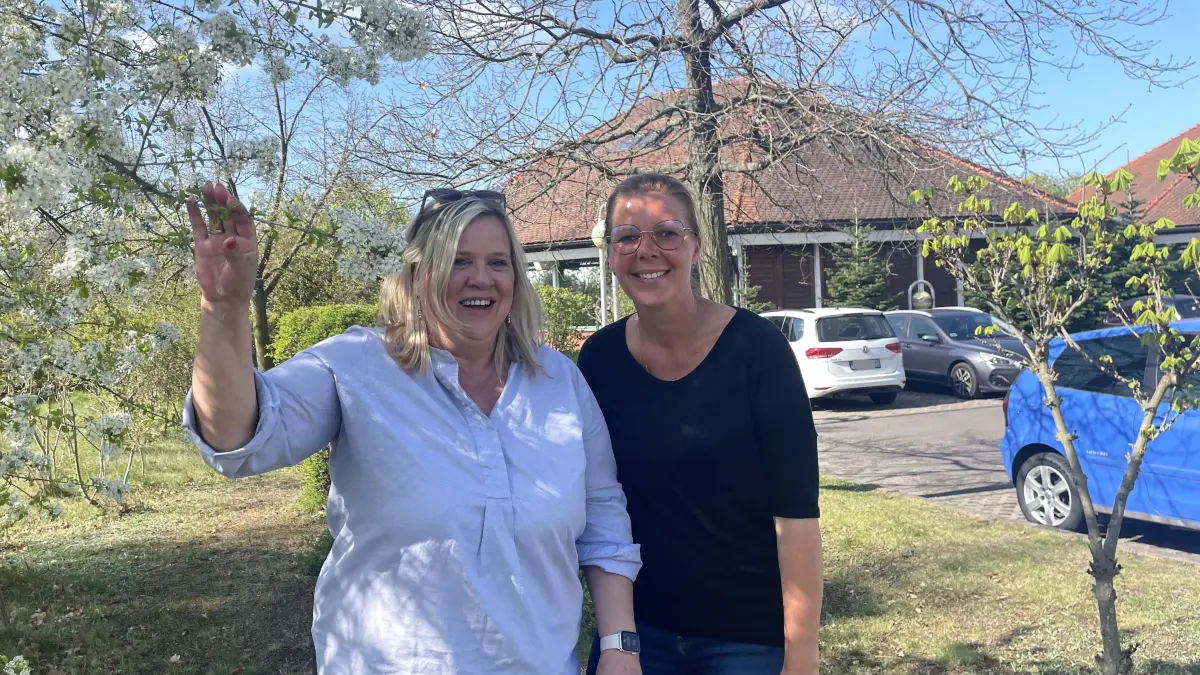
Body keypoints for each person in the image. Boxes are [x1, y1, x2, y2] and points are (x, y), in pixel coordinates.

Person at [182, 181, 643, 675]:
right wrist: (225, 308)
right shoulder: (355, 365)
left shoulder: (559, 382)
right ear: (419, 274)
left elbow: (603, 519)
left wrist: (619, 645)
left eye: (498, 262)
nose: (480, 279)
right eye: (458, 261)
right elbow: (234, 437)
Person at [578, 174, 823, 674]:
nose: (647, 251)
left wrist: (801, 654)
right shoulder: (598, 360)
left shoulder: (757, 351)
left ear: (696, 245)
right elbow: (593, 504)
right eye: (627, 236)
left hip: (747, 641)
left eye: (667, 232)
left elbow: (796, 517)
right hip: (639, 635)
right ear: (610, 253)